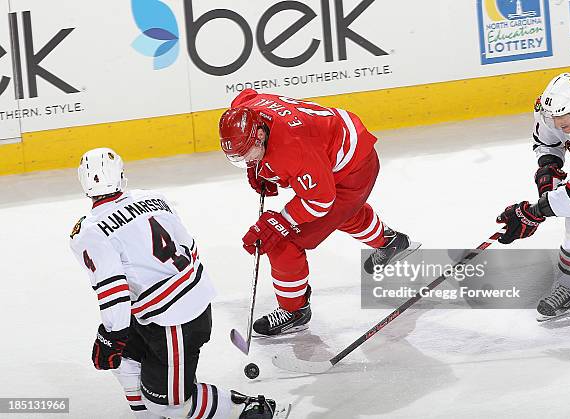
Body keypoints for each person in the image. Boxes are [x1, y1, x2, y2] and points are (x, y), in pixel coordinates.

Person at [69, 148, 288, 418]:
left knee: (169, 404)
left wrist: (112, 336)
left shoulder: (88, 231)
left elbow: (113, 289)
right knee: (125, 361)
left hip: (172, 320)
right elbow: (189, 246)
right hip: (183, 302)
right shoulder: (154, 198)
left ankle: (252, 409)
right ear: (122, 175)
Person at [218, 89, 420, 336]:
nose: (246, 160)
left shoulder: (293, 150)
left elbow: (320, 201)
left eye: (248, 153)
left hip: (353, 170)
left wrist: (279, 222)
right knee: (343, 215)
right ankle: (390, 242)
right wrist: (259, 166)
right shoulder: (247, 109)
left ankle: (294, 311)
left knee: (283, 240)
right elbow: (247, 94)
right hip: (339, 147)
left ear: (260, 134)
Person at [495, 73, 570, 321]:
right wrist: (549, 171)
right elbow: (547, 143)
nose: (558, 125)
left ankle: (569, 289)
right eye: (553, 119)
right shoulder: (552, 108)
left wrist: (534, 211)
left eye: (564, 122)